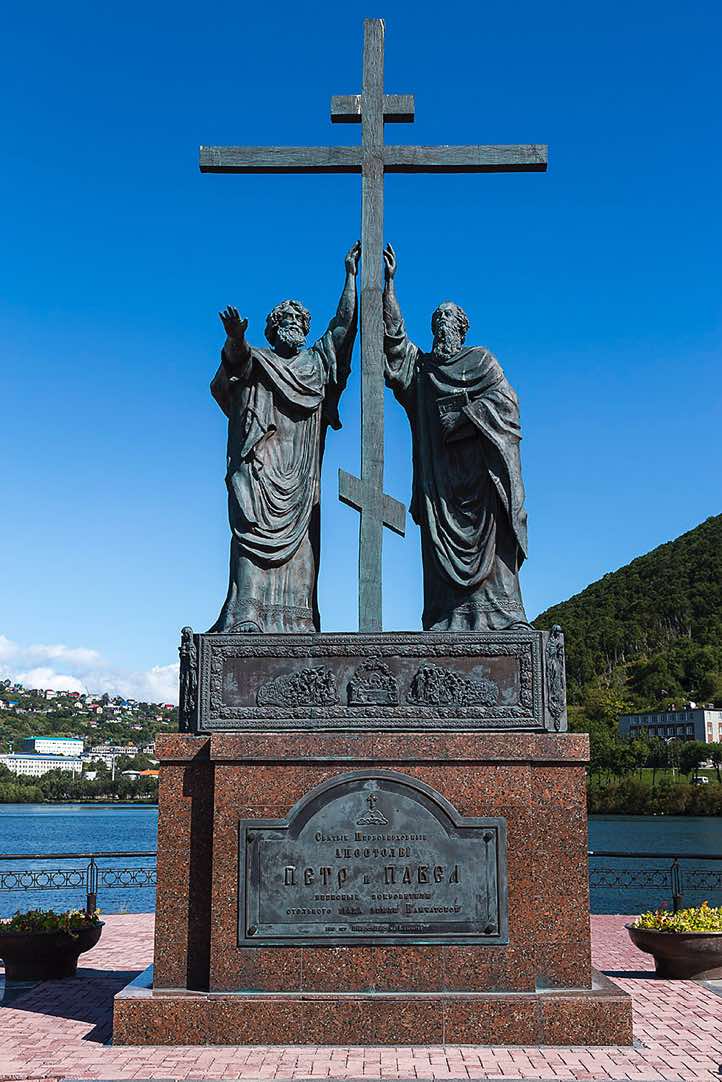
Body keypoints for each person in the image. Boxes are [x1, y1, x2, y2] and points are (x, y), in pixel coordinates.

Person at [208, 241, 360, 633]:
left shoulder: (317, 364)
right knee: (250, 544)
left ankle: (297, 625)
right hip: (260, 477)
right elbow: (234, 364)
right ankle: (248, 616)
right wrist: (234, 339)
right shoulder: (259, 362)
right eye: (285, 319)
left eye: (299, 320)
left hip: (301, 482)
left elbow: (342, 329)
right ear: (273, 329)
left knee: (303, 560)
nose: (293, 323)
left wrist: (350, 277)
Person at [382, 243, 529, 631]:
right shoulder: (425, 371)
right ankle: (450, 619)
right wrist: (389, 286)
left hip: (481, 483)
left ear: (462, 327)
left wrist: (466, 418)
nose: (440, 323)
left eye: (448, 317)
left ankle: (502, 617)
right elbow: (395, 345)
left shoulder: (482, 361)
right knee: (440, 572)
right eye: (436, 318)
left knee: (494, 557)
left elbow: (509, 408)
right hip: (441, 487)